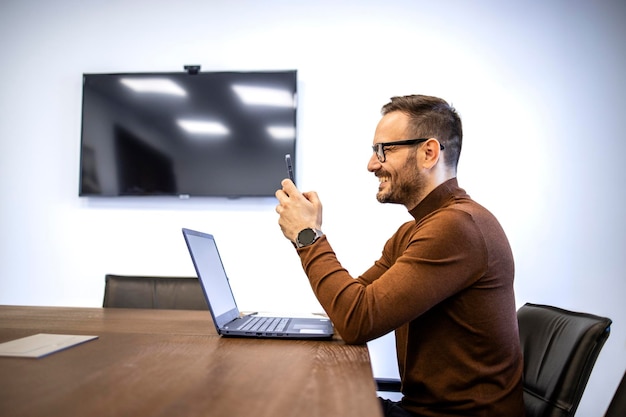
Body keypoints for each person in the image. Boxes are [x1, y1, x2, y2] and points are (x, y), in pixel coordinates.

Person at [275, 94, 525, 416]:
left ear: (428, 153)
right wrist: (309, 234)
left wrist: (307, 236)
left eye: (384, 150)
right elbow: (352, 304)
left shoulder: (457, 227)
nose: (371, 164)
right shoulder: (416, 231)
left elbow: (357, 320)